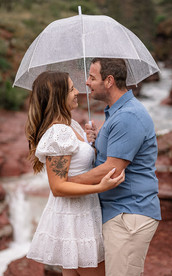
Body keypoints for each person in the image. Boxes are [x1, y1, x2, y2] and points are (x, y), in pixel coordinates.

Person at [25, 71, 125, 276]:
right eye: (71, 88)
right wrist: (100, 187)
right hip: (74, 217)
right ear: (58, 96)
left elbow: (76, 161)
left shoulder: (70, 125)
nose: (78, 92)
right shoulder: (59, 132)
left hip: (82, 212)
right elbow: (58, 187)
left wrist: (89, 141)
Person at [69, 58, 162, 276]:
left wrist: (66, 183)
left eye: (92, 77)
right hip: (117, 212)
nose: (87, 82)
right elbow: (109, 158)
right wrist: (95, 141)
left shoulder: (127, 116)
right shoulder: (117, 114)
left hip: (128, 214)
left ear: (109, 81)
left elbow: (111, 169)